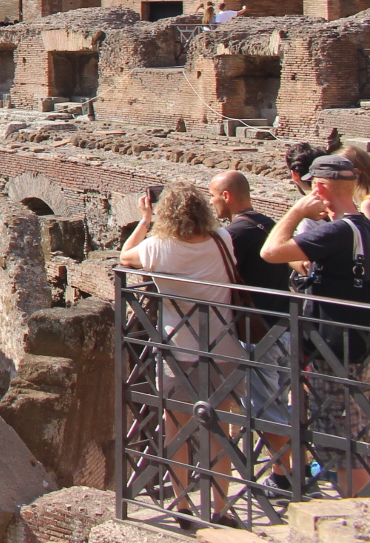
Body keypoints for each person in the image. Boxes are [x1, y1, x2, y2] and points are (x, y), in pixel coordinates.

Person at [260, 155, 370, 494]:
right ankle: (369, 507)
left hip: (332, 352)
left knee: (341, 445)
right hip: (361, 346)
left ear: (317, 188)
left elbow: (271, 252)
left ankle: (355, 517)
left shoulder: (335, 231)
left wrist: (296, 213)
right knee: (356, 436)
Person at [120, 182, 239, 522]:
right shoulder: (223, 239)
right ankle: (221, 508)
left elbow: (124, 257)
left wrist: (144, 221)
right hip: (223, 345)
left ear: (165, 214)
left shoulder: (158, 246)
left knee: (176, 428)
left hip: (179, 349)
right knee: (220, 429)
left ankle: (183, 505)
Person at [210, 170, 295, 482]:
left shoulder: (235, 235)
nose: (212, 203)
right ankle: (284, 470)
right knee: (279, 401)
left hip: (256, 332)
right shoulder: (269, 224)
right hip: (284, 324)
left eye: (214, 196)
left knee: (264, 409)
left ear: (228, 196)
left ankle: (286, 477)